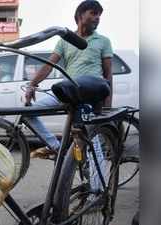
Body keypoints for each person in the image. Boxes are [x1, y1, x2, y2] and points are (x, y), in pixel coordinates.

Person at [26, 0, 113, 159]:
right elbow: (49, 65)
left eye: (99, 15)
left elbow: (108, 75)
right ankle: (55, 146)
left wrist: (108, 104)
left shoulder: (103, 41)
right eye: (93, 13)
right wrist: (31, 85)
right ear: (80, 15)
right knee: (28, 113)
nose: (97, 18)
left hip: (90, 94)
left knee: (88, 140)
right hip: (69, 92)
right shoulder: (64, 40)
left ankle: (98, 184)